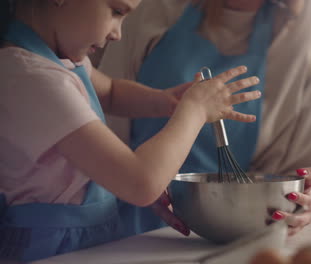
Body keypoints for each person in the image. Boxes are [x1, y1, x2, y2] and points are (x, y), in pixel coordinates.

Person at [0, 0, 261, 261]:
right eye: (116, 11)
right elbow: (141, 182)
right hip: (47, 250)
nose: (118, 33)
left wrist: (165, 101)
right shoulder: (32, 77)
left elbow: (111, 92)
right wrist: (194, 111)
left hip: (84, 241)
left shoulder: (58, 62)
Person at [97, 0, 311, 237]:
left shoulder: (303, 38)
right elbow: (100, 118)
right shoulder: (147, 9)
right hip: (122, 223)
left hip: (230, 233)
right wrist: (139, 183)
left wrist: (300, 201)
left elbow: (305, 162)